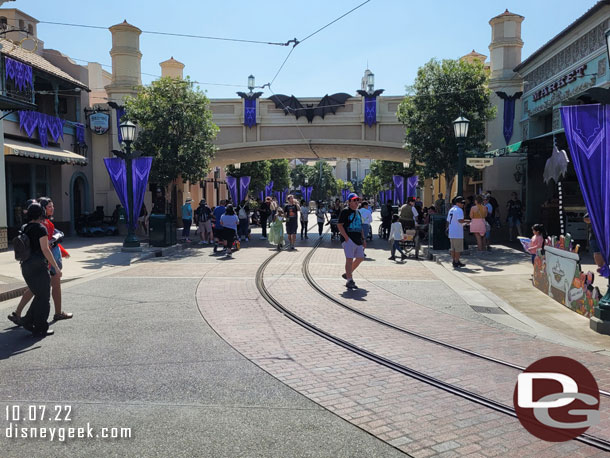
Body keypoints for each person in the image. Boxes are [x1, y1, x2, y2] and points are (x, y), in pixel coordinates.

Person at [9, 197, 72, 326]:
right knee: (42, 293)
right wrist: (55, 264)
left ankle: (20, 314)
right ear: (41, 210)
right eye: (49, 207)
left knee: (37, 289)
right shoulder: (41, 226)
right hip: (43, 261)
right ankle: (36, 320)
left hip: (33, 262)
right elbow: (45, 247)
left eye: (52, 206)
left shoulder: (30, 225)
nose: (52, 208)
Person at [14, 203, 62, 337]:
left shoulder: (24, 228)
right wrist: (56, 268)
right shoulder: (41, 228)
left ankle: (28, 321)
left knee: (39, 295)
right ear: (41, 214)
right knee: (44, 297)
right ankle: (40, 327)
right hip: (38, 265)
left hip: (25, 265)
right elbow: (45, 249)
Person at [337, 193, 366, 289]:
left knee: (360, 257)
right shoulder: (345, 211)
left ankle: (348, 273)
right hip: (349, 238)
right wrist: (346, 238)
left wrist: (363, 239)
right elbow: (340, 225)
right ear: (349, 202)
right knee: (349, 259)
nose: (356, 202)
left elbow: (360, 226)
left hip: (358, 239)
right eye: (354, 200)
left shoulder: (358, 212)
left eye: (357, 200)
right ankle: (349, 280)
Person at [447, 196, 466, 269]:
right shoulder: (459, 210)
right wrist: (467, 221)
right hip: (458, 232)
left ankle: (454, 260)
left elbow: (448, 220)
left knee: (453, 248)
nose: (463, 204)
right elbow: (460, 220)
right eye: (462, 203)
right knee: (458, 249)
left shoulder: (451, 209)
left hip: (452, 231)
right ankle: (456, 261)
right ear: (458, 203)